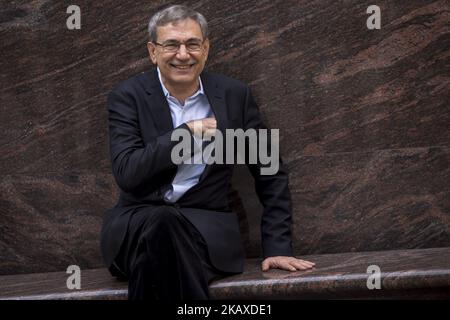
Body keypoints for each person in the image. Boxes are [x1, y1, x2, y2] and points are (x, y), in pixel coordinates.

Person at [100, 4, 315, 301]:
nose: (183, 54)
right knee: (162, 224)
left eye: (192, 44)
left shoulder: (233, 96)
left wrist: (277, 247)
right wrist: (185, 135)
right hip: (136, 228)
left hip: (206, 231)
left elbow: (270, 171)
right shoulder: (128, 97)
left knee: (155, 255)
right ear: (153, 51)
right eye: (172, 44)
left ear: (207, 48)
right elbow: (127, 172)